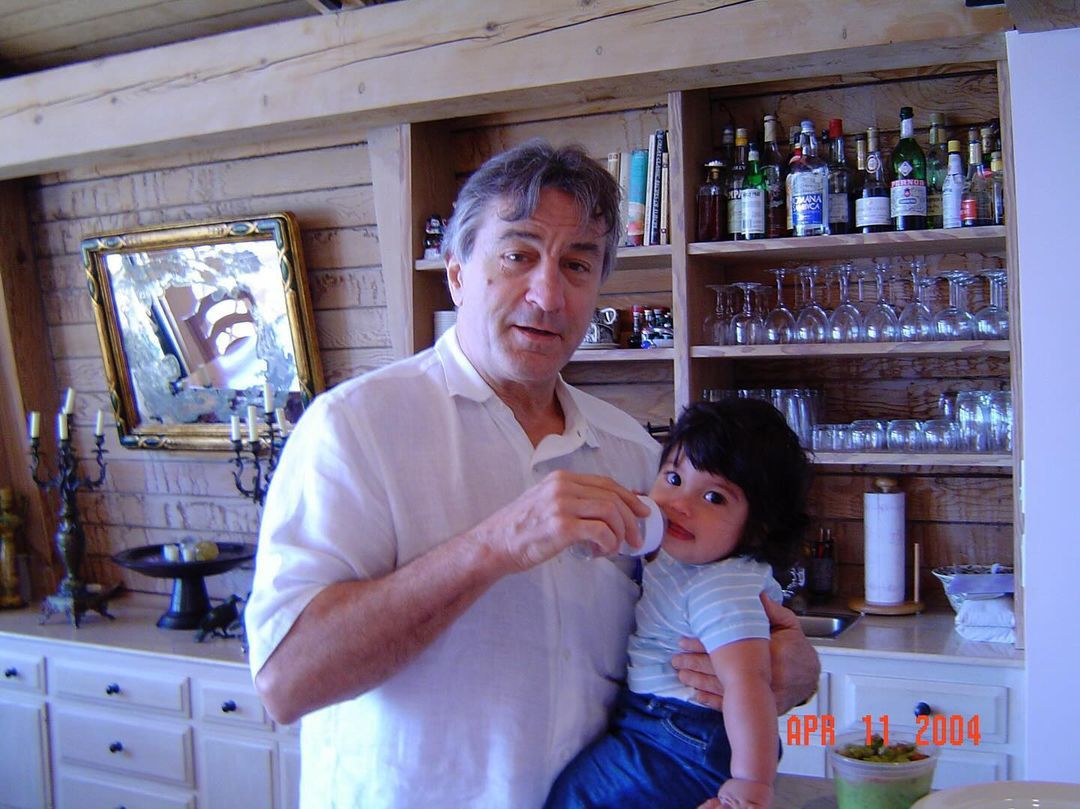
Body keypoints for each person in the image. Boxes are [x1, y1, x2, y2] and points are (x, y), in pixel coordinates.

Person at [245, 138, 820, 807]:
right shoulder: (355, 427)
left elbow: (715, 629)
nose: (548, 294)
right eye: (518, 255)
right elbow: (287, 683)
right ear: (457, 273)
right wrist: (496, 545)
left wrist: (793, 669)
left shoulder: (635, 453)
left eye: (577, 265)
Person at [545, 398, 812, 809]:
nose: (680, 504)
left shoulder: (720, 589)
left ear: (758, 529)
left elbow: (749, 684)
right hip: (665, 725)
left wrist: (751, 783)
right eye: (673, 478)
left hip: (683, 734)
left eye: (714, 498)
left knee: (578, 798)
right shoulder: (686, 553)